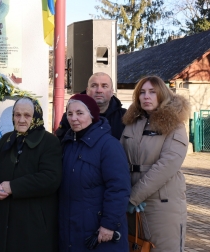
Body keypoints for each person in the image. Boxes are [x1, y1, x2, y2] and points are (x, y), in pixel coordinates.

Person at [0, 97, 62, 252]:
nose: (21, 120)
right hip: (2, 220)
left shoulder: (49, 142)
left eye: (27, 115)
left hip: (32, 223)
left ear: (36, 117)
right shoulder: (6, 139)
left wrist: (13, 186)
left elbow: (50, 178)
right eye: (17, 115)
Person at [121, 76, 190, 250]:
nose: (146, 96)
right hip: (132, 204)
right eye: (142, 92)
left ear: (162, 95)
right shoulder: (131, 124)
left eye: (152, 92)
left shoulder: (175, 125)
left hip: (162, 204)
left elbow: (166, 166)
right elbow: (119, 159)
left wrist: (133, 197)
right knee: (137, 246)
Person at [58, 94, 130, 251]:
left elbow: (119, 188)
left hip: (99, 232)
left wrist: (108, 225)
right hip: (72, 229)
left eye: (80, 113)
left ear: (92, 115)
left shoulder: (108, 145)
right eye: (69, 114)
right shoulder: (67, 144)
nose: (74, 118)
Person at [55, 72, 127, 141]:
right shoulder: (72, 117)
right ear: (87, 91)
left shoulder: (125, 116)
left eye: (104, 86)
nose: (99, 90)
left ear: (112, 92)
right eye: (94, 86)